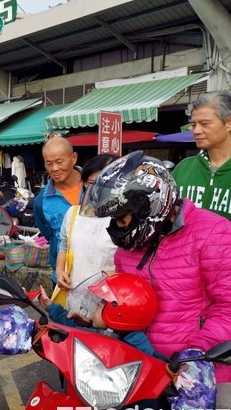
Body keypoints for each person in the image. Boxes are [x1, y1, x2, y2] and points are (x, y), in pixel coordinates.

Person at [89, 150, 231, 410]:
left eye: (122, 218)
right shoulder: (130, 247)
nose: (118, 228)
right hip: (142, 369)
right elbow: (127, 300)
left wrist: (195, 351)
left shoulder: (214, 233)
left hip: (201, 374)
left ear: (150, 204)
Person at [38, 272, 157, 355]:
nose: (94, 309)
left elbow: (156, 365)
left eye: (99, 305)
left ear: (117, 314)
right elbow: (74, 328)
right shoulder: (106, 331)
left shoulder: (138, 346)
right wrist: (51, 306)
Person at [54, 154, 119, 297]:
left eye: (105, 184)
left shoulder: (122, 220)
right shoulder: (73, 214)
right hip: (72, 295)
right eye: (92, 182)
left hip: (107, 302)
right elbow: (64, 247)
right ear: (84, 183)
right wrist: (59, 272)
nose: (98, 190)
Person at [173, 91, 231, 230]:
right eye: (194, 124)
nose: (196, 131)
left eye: (204, 124)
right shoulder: (182, 169)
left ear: (229, 123)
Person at [33, 137, 84, 286]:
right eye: (49, 163)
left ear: (73, 158)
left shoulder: (94, 186)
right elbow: (51, 236)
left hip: (98, 273)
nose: (54, 168)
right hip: (64, 276)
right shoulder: (41, 201)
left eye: (59, 162)